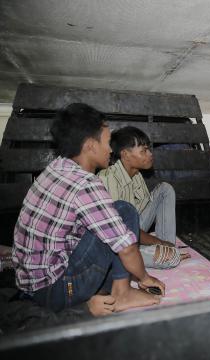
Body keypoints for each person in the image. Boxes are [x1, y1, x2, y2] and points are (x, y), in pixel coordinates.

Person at [12, 103, 165, 316]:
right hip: (55, 291)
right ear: (91, 146)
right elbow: (127, 248)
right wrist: (145, 278)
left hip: (30, 285)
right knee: (124, 216)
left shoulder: (57, 167)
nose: (111, 149)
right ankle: (122, 294)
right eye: (107, 142)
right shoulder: (86, 184)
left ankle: (121, 290)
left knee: (121, 210)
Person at [98, 126, 189, 269]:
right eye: (144, 151)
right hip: (116, 241)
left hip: (133, 230)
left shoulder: (137, 175)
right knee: (170, 258)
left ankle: (168, 248)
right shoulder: (109, 178)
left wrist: (162, 243)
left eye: (149, 149)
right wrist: (158, 243)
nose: (150, 154)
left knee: (165, 189)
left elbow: (139, 218)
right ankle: (165, 252)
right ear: (126, 154)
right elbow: (119, 231)